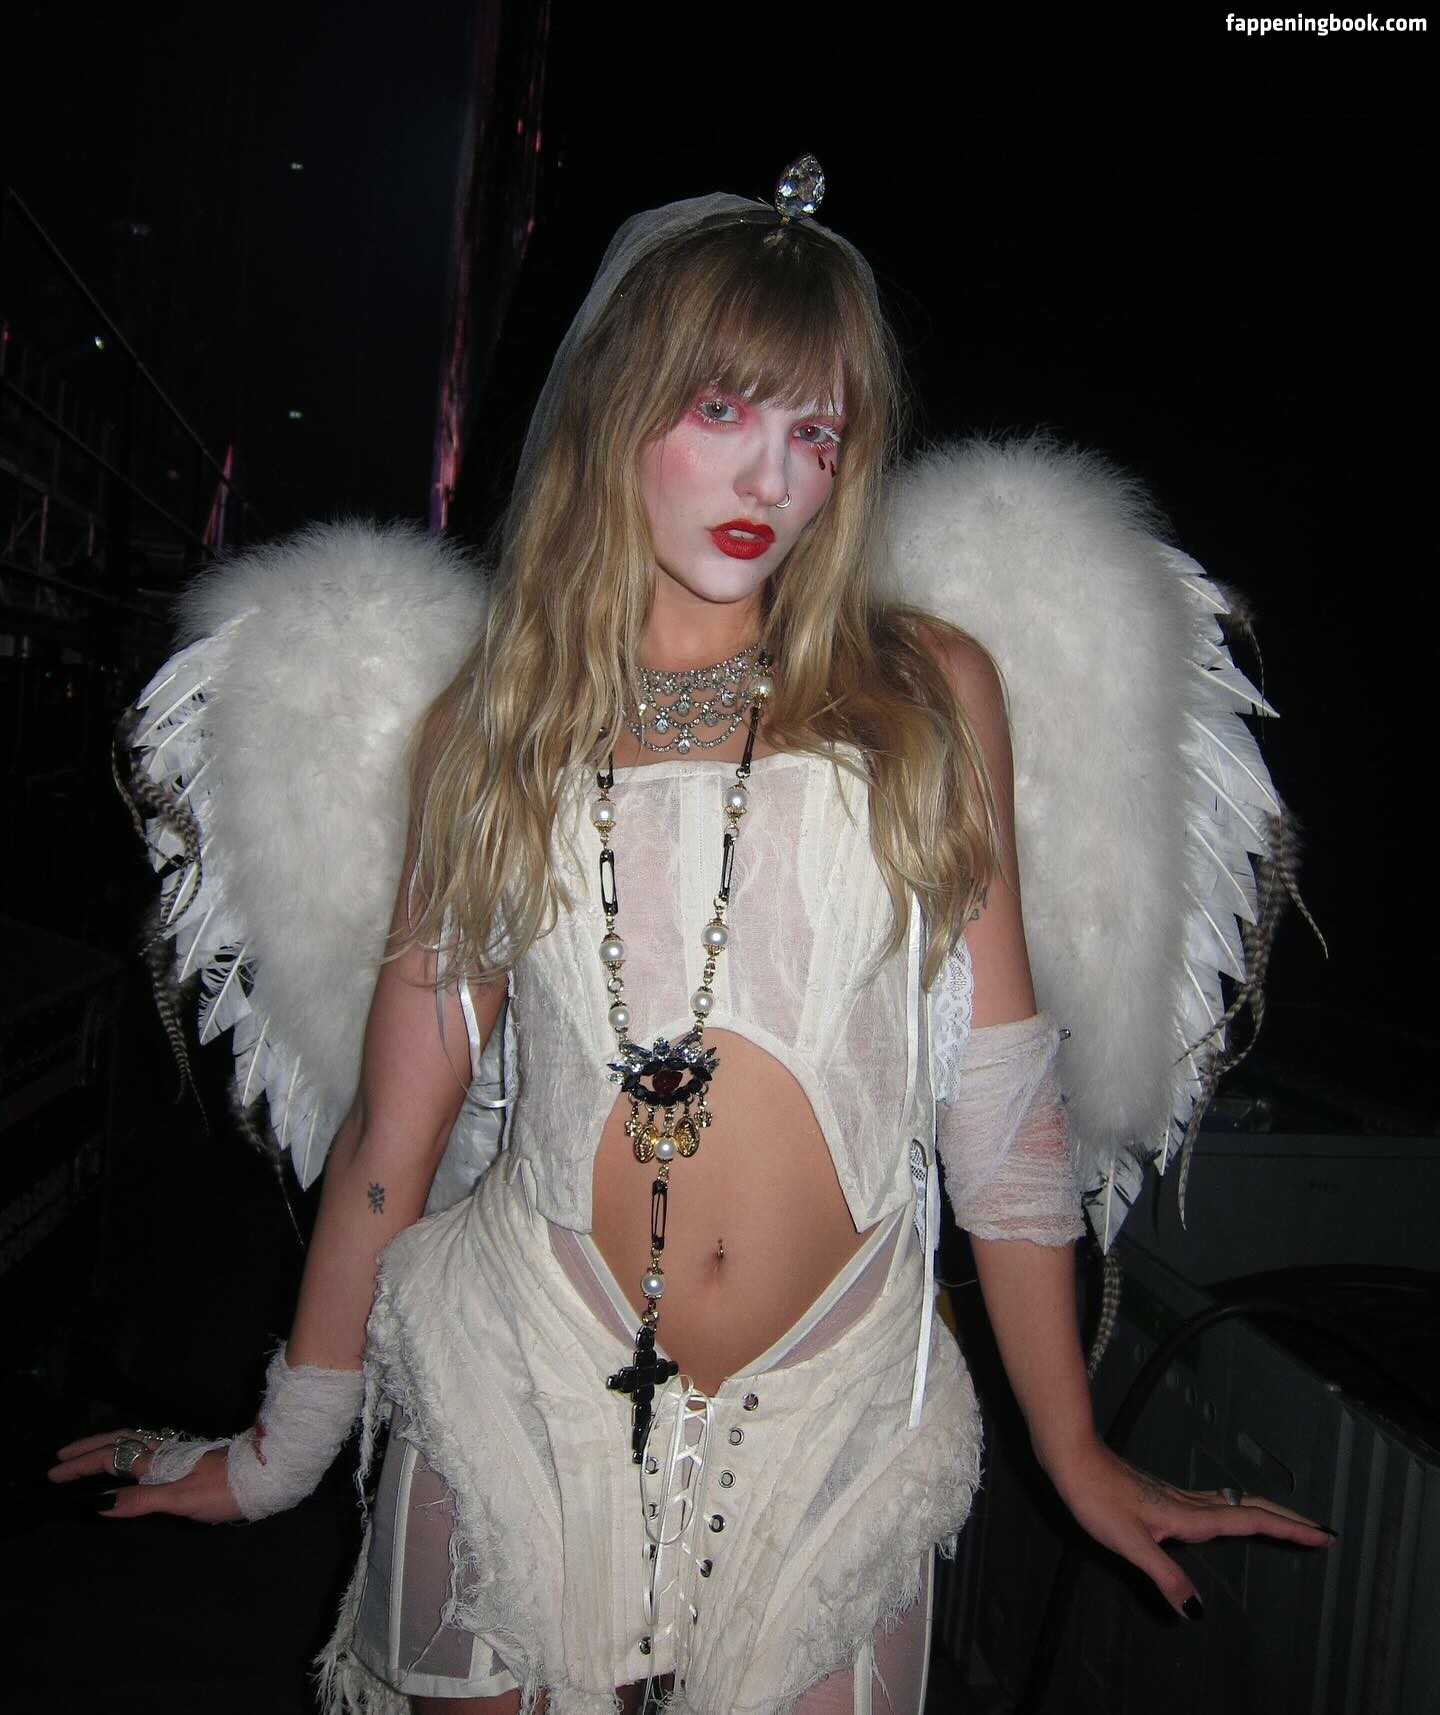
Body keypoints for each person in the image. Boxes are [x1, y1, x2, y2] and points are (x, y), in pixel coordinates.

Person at [51, 166, 1332, 1715]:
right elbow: (395, 1136)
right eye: (722, 409)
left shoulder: (929, 694)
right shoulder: (495, 727)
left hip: (838, 1414)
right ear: (616, 405)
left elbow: (1002, 1120)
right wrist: (278, 1455)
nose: (771, 478)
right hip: (518, 1379)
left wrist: (1073, 1453)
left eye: (817, 434)